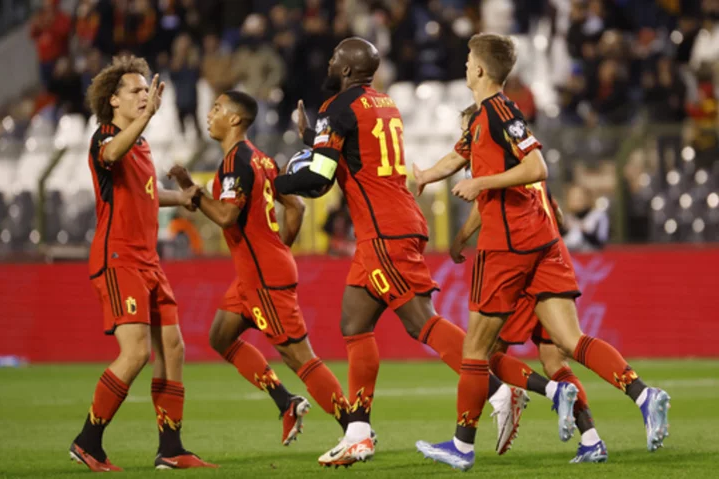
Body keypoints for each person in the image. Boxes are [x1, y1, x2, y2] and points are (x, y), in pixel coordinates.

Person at [413, 33, 670, 472]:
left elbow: (536, 167)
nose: (465, 66)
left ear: (479, 70)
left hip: (509, 248)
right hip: (541, 244)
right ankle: (640, 397)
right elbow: (455, 161)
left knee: (476, 351)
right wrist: (421, 178)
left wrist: (480, 185)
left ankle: (462, 444)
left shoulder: (500, 112)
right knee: (564, 346)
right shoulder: (480, 121)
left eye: (469, 59)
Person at [274, 37, 523, 467]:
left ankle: (501, 389)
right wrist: (314, 137)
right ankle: (357, 432)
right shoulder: (383, 102)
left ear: (349, 69)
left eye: (336, 57)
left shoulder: (337, 107)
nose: (330, 61)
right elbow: (351, 155)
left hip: (384, 231)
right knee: (354, 322)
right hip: (392, 223)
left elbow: (319, 179)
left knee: (421, 323)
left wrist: (272, 183)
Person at [417, 103, 608, 463]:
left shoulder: (501, 160)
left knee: (480, 355)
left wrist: (462, 235)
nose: (467, 138)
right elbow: (558, 212)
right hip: (549, 258)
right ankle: (592, 437)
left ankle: (513, 406)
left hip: (518, 262)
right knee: (554, 358)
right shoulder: (521, 161)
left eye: (468, 130)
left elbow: (488, 204)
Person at [168, 91, 352, 447]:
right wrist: (279, 246)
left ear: (234, 119)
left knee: (299, 357)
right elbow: (295, 206)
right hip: (254, 274)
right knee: (220, 337)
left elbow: (226, 216)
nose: (210, 114)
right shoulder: (261, 160)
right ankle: (286, 401)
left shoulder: (236, 162)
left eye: (217, 109)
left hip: (264, 276)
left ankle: (354, 427)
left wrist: (194, 191)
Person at [69, 55, 216, 472]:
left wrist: (181, 198)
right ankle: (88, 441)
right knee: (133, 353)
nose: (142, 95)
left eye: (145, 90)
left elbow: (144, 195)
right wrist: (146, 118)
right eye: (134, 90)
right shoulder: (105, 138)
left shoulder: (142, 145)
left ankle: (171, 446)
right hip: (119, 258)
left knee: (173, 347)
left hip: (148, 260)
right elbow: (113, 153)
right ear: (113, 100)